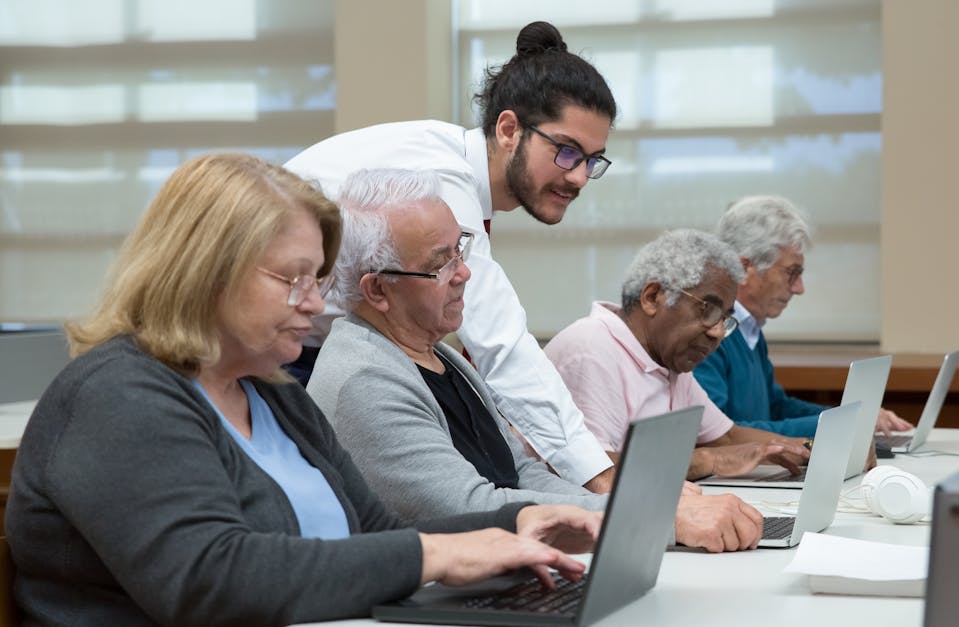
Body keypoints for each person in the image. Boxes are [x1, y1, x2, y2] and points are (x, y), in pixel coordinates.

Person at [3, 154, 600, 627]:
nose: (315, 304)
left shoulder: (273, 394)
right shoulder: (118, 395)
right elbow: (210, 581)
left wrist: (518, 522)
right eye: (292, 280)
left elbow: (375, 536)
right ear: (204, 271)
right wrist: (437, 556)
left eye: (316, 280)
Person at [306, 168, 763, 553]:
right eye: (440, 263)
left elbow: (520, 470)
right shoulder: (363, 380)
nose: (464, 273)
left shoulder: (443, 357)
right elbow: (470, 507)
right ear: (378, 290)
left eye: (460, 249)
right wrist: (651, 516)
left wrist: (644, 504)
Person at [284, 21, 617, 492]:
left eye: (593, 160)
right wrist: (605, 481)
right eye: (567, 152)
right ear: (508, 129)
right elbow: (503, 346)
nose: (580, 177)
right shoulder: (438, 178)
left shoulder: (453, 171)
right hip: (269, 361)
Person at [545, 229, 828, 482]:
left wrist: (812, 448)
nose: (717, 332)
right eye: (708, 310)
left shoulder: (669, 360)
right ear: (653, 297)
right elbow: (594, 474)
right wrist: (709, 460)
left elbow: (726, 436)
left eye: (726, 319)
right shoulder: (591, 350)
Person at [693, 196, 912, 438]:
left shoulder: (750, 329)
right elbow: (722, 434)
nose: (799, 288)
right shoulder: (709, 334)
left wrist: (849, 416)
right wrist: (838, 424)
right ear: (745, 268)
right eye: (791, 273)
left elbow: (776, 407)